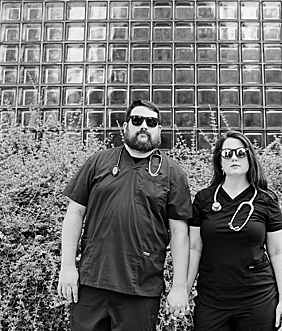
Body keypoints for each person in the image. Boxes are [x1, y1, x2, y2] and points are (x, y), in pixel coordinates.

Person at [58, 99, 192, 331]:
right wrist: (67, 267)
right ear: (125, 126)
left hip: (140, 286)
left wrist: (179, 287)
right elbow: (75, 213)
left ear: (159, 129)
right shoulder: (98, 162)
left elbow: (180, 233)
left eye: (151, 122)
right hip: (92, 282)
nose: (144, 126)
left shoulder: (172, 173)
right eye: (137, 120)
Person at [186, 131, 282, 331]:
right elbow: (194, 248)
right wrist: (184, 291)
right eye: (227, 153)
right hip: (212, 298)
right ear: (220, 162)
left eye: (241, 152)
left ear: (250, 158)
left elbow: (278, 252)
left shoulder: (266, 200)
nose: (234, 157)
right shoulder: (204, 199)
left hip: (258, 298)